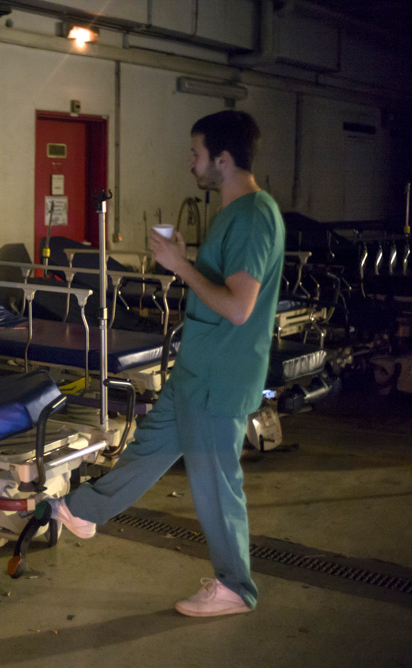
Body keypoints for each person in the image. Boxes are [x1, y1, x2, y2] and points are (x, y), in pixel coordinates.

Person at [48, 110, 285, 617]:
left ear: (222, 159)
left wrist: (182, 268)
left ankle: (235, 587)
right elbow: (220, 286)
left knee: (215, 483)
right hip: (198, 367)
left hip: (221, 375)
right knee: (149, 448)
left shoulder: (253, 216)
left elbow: (239, 307)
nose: (190, 163)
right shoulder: (232, 215)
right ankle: (82, 511)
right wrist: (188, 263)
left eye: (196, 154)